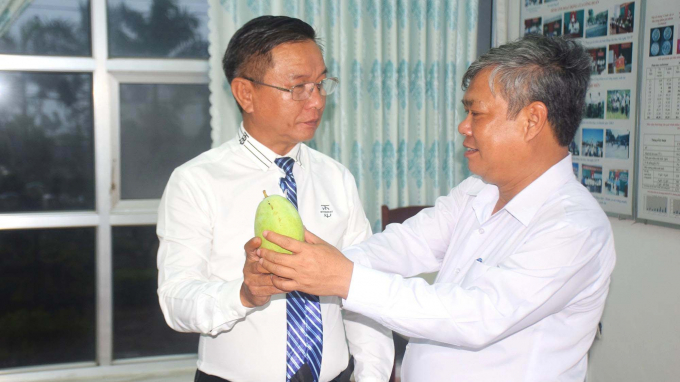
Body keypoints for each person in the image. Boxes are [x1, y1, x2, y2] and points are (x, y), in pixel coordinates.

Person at [256, 34, 616, 381]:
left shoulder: (573, 228)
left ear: (532, 120)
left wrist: (342, 277)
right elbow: (406, 244)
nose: (463, 127)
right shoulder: (478, 192)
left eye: (477, 114)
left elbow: (476, 316)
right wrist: (308, 262)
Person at [157, 15, 393, 382]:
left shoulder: (336, 177)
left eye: (321, 83)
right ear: (245, 93)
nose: (316, 101)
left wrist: (372, 375)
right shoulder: (196, 181)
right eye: (298, 87)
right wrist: (244, 293)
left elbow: (362, 289)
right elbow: (176, 301)